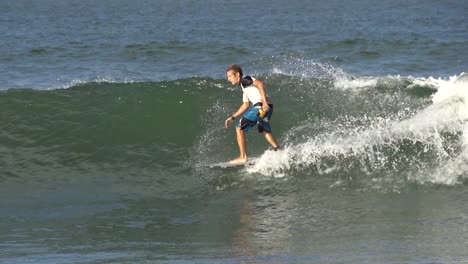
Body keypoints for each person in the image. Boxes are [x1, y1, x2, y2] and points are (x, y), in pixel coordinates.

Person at [224, 64, 281, 164]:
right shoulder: (244, 87)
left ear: (237, 74)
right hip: (268, 107)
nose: (228, 79)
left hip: (261, 106)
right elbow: (245, 105)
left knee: (239, 128)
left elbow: (260, 84)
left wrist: (263, 100)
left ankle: (243, 157)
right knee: (264, 129)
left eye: (230, 76)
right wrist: (232, 117)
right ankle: (279, 151)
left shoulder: (244, 80)